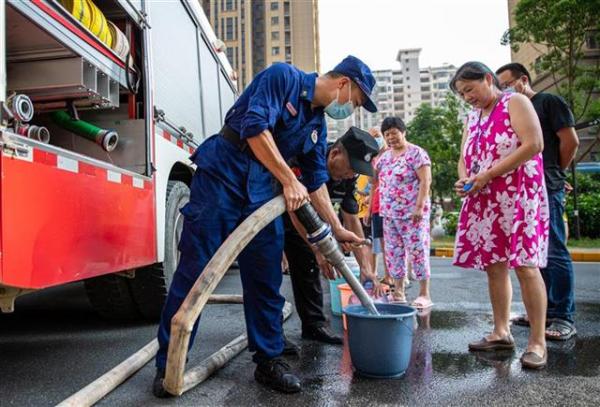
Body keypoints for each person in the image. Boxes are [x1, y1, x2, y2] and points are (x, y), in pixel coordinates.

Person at [153, 55, 378, 396]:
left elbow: (316, 181)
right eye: (356, 102)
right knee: (195, 271)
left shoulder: (316, 126)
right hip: (224, 174)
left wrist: (334, 228)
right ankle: (170, 363)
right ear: (344, 85)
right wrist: (288, 180)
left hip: (262, 191)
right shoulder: (283, 77)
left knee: (265, 275)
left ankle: (269, 361)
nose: (351, 109)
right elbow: (255, 127)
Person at [450, 61, 549, 369]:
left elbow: (534, 144)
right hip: (485, 196)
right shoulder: (472, 117)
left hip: (519, 195)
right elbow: (463, 159)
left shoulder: (514, 102)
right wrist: (466, 178)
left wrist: (488, 174)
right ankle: (501, 331)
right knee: (495, 266)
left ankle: (537, 342)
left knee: (525, 266)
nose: (467, 97)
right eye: (462, 94)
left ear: (488, 79)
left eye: (470, 89)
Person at [496, 62, 579, 341]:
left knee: (554, 251)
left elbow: (571, 141)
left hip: (548, 186)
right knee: (533, 255)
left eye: (507, 84)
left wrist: (556, 172)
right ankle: (540, 314)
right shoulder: (509, 109)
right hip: (521, 189)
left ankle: (563, 315)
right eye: (501, 86)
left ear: (523, 80)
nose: (504, 90)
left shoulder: (548, 102)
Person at [282, 127, 382, 348]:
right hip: (278, 213)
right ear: (335, 153)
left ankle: (314, 326)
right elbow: (295, 207)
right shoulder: (307, 159)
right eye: (351, 167)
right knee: (268, 272)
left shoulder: (348, 177)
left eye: (357, 171)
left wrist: (366, 268)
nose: (352, 174)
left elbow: (352, 220)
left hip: (310, 224)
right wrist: (318, 249)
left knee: (309, 269)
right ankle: (271, 336)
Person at [373, 117, 433, 308]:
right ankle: (398, 291)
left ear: (403, 131)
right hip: (389, 214)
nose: (391, 137)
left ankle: (424, 294)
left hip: (412, 214)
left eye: (394, 132)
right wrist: (371, 209)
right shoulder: (383, 158)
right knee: (393, 253)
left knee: (418, 251)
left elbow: (426, 181)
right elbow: (377, 184)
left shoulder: (417, 154)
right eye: (387, 134)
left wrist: (419, 206)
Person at [363, 127, 394, 287]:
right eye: (372, 137)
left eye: (377, 136)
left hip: (392, 206)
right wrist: (368, 211)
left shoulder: (393, 154)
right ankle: (388, 275)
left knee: (392, 242)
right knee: (381, 242)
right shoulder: (373, 159)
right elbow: (373, 185)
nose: (375, 139)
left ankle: (394, 275)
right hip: (376, 206)